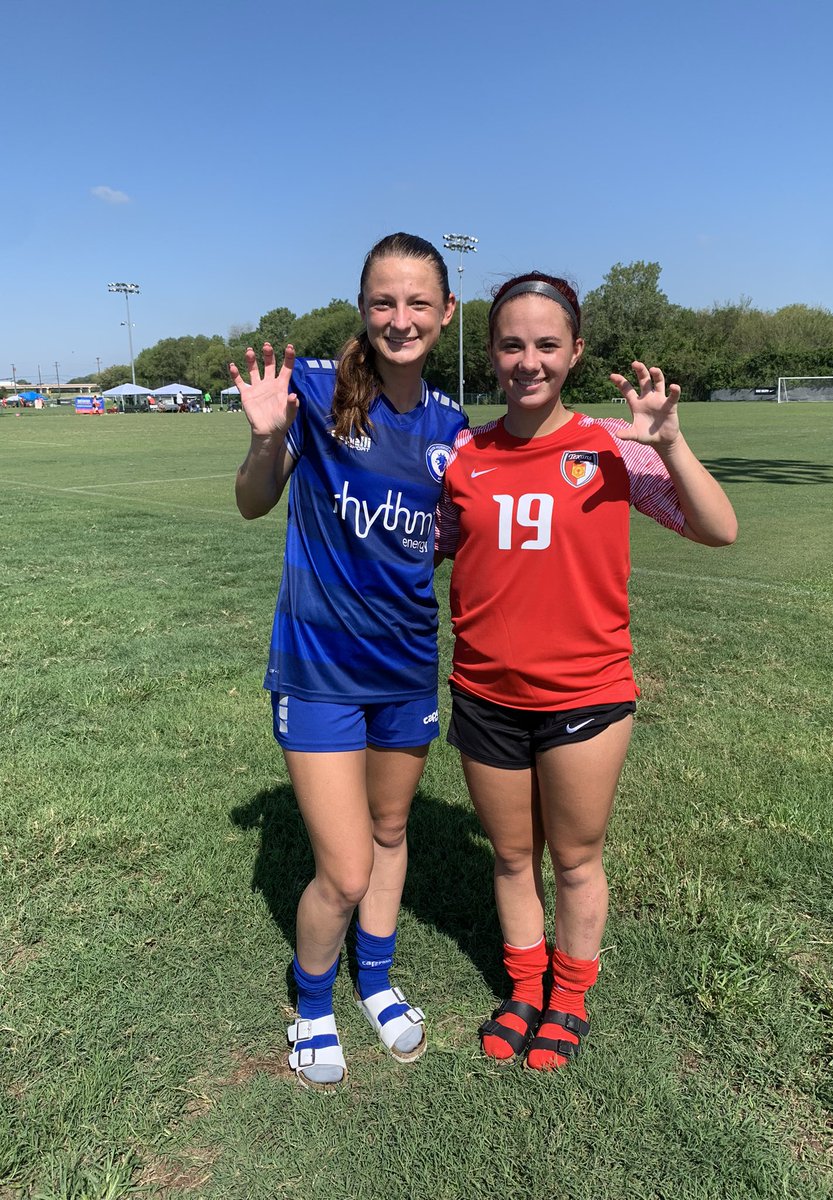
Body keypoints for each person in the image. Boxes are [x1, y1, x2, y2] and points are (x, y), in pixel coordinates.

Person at [436, 272, 737, 1071]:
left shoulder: (613, 445)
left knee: (574, 858)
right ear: (491, 353)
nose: (528, 361)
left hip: (585, 693)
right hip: (485, 693)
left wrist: (669, 443)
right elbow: (424, 547)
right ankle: (524, 988)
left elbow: (719, 529)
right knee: (511, 857)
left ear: (574, 352)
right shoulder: (464, 454)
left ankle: (568, 998)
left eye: (546, 344)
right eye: (511, 345)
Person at [231, 233, 464, 1089]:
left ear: (446, 313)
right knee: (346, 866)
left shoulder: (451, 427)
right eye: (383, 302)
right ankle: (312, 1003)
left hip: (406, 667)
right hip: (319, 669)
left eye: (417, 303)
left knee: (391, 833)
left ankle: (375, 979)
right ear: (363, 308)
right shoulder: (319, 391)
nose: (400, 319)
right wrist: (266, 440)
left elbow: (443, 539)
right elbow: (254, 502)